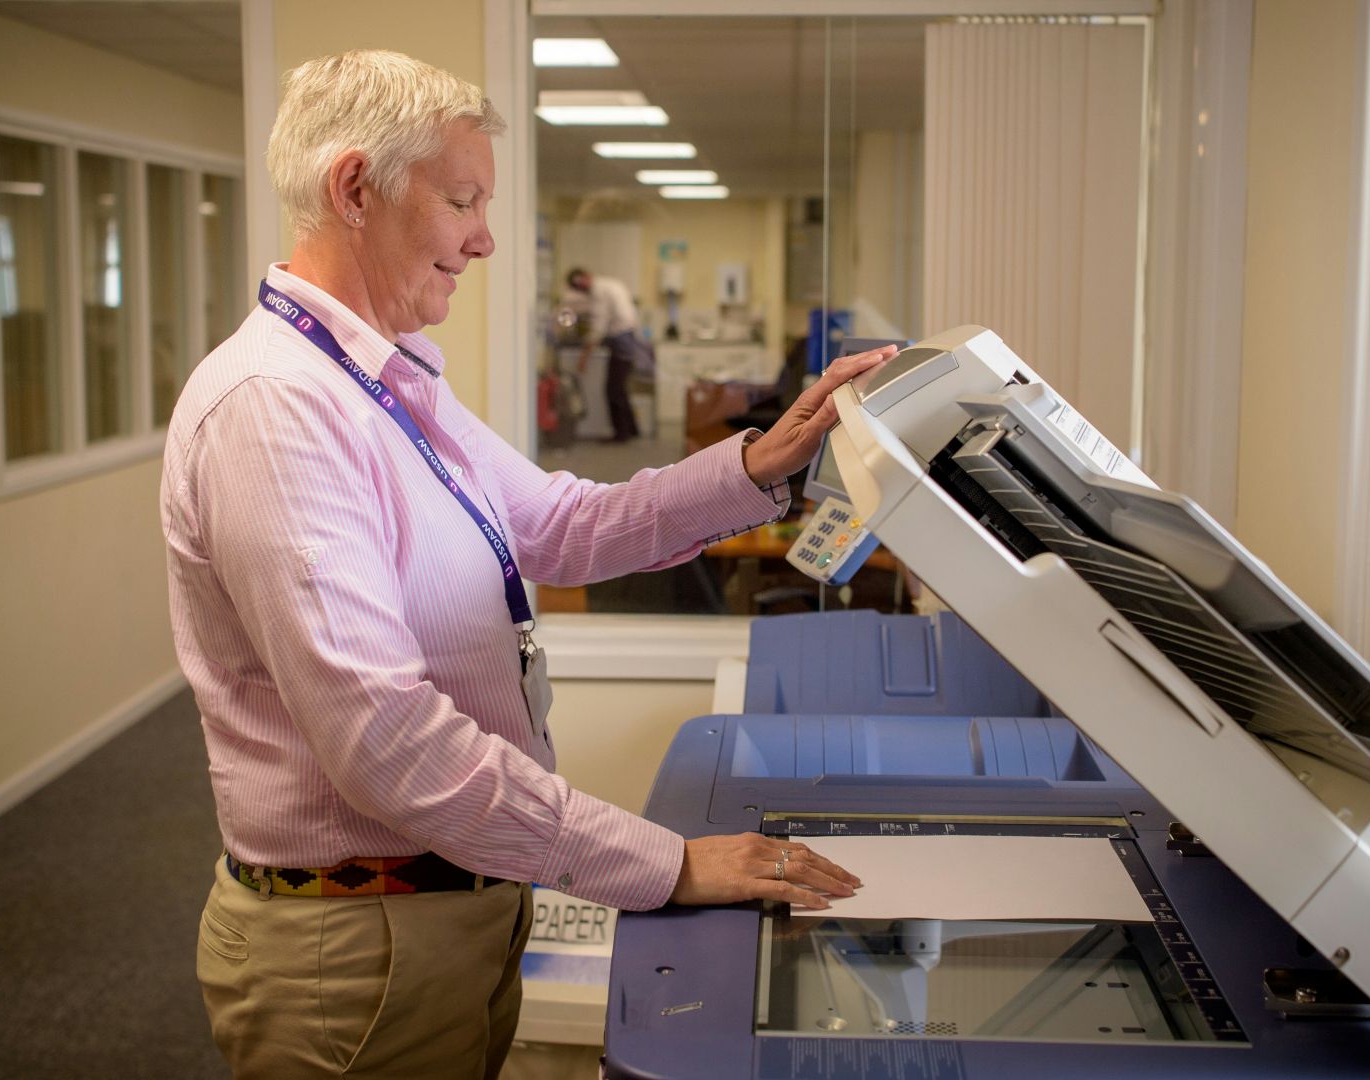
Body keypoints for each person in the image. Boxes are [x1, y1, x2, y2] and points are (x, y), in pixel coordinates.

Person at [160, 50, 891, 1079]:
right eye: (461, 200)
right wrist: (663, 864)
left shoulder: (382, 381)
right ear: (354, 187)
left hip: (448, 908)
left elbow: (565, 525)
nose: (485, 238)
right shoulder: (276, 413)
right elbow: (391, 745)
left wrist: (757, 465)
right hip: (357, 946)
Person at [567, 267, 643, 441]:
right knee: (620, 388)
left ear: (584, 278)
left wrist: (584, 358)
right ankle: (632, 429)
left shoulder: (599, 292)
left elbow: (598, 327)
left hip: (621, 339)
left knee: (613, 389)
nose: (581, 290)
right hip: (629, 336)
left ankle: (621, 434)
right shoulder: (610, 284)